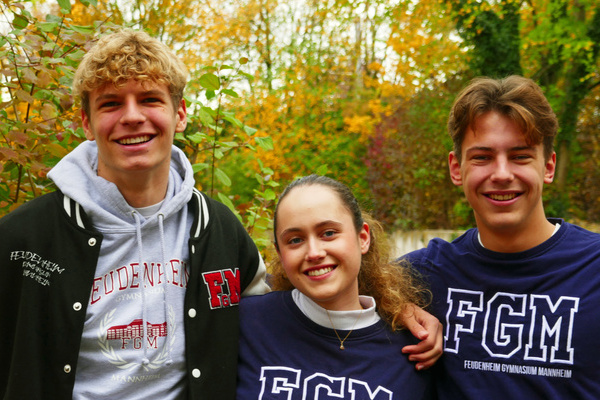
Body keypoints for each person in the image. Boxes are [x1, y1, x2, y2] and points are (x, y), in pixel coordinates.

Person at [0, 29, 271, 399]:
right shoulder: (23, 239)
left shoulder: (219, 230)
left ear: (180, 114)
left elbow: (272, 330)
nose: (132, 116)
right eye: (110, 104)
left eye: (149, 99)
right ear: (86, 123)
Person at [404, 75, 600, 398]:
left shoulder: (593, 267)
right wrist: (398, 307)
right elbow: (344, 284)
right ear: (457, 168)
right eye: (482, 157)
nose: (502, 174)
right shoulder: (424, 273)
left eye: (520, 156)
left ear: (548, 166)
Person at [236, 175, 435, 399]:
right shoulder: (247, 322)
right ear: (280, 253)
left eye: (329, 233)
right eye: (295, 240)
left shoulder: (415, 349)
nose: (314, 253)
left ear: (363, 238)